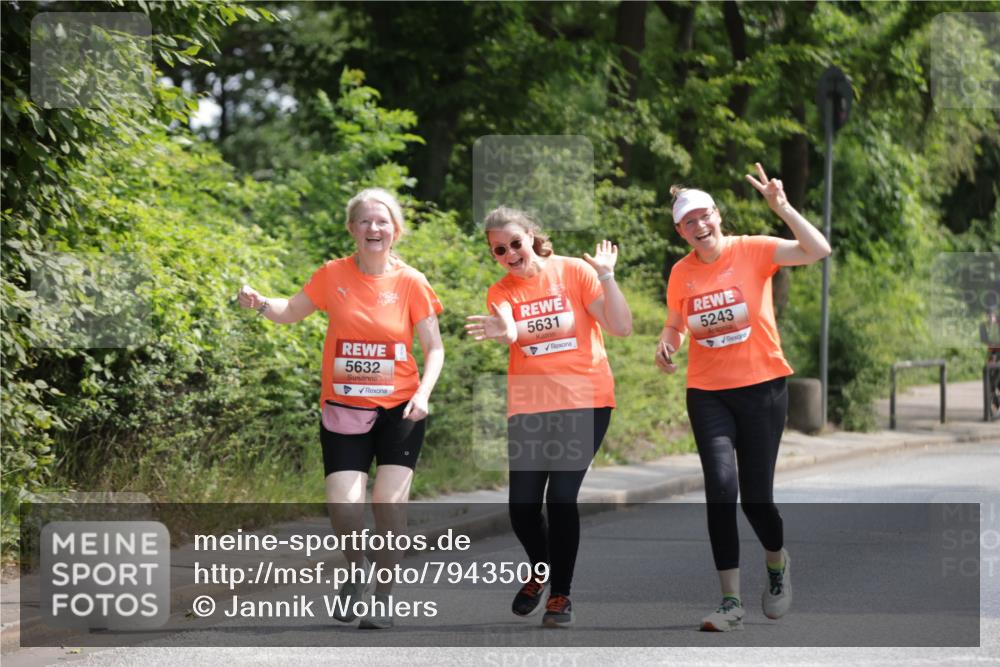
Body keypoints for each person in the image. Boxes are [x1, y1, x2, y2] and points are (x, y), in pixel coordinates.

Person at [237, 188, 444, 630]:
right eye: (365, 221)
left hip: (400, 411)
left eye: (382, 221)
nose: (374, 228)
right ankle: (357, 566)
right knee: (344, 507)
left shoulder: (412, 282)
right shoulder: (332, 275)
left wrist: (424, 393)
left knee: (388, 505)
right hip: (343, 409)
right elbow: (290, 310)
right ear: (352, 229)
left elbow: (435, 349)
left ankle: (384, 596)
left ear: (396, 230)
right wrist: (260, 305)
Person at [655, 163, 831, 632]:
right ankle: (730, 601)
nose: (700, 226)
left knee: (756, 500)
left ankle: (776, 564)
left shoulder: (751, 250)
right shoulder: (681, 274)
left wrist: (784, 208)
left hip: (762, 388)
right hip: (707, 392)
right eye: (689, 222)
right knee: (719, 489)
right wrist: (667, 340)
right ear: (680, 232)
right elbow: (676, 320)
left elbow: (819, 250)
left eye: (706, 215)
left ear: (718, 215)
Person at [464, 206, 632, 627]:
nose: (510, 254)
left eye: (515, 244)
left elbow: (621, 326)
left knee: (560, 498)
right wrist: (505, 332)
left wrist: (608, 276)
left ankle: (561, 594)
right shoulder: (500, 291)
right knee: (521, 507)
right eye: (500, 250)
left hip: (585, 399)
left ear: (532, 237)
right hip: (530, 404)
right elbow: (510, 328)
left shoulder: (574, 271)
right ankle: (540, 570)